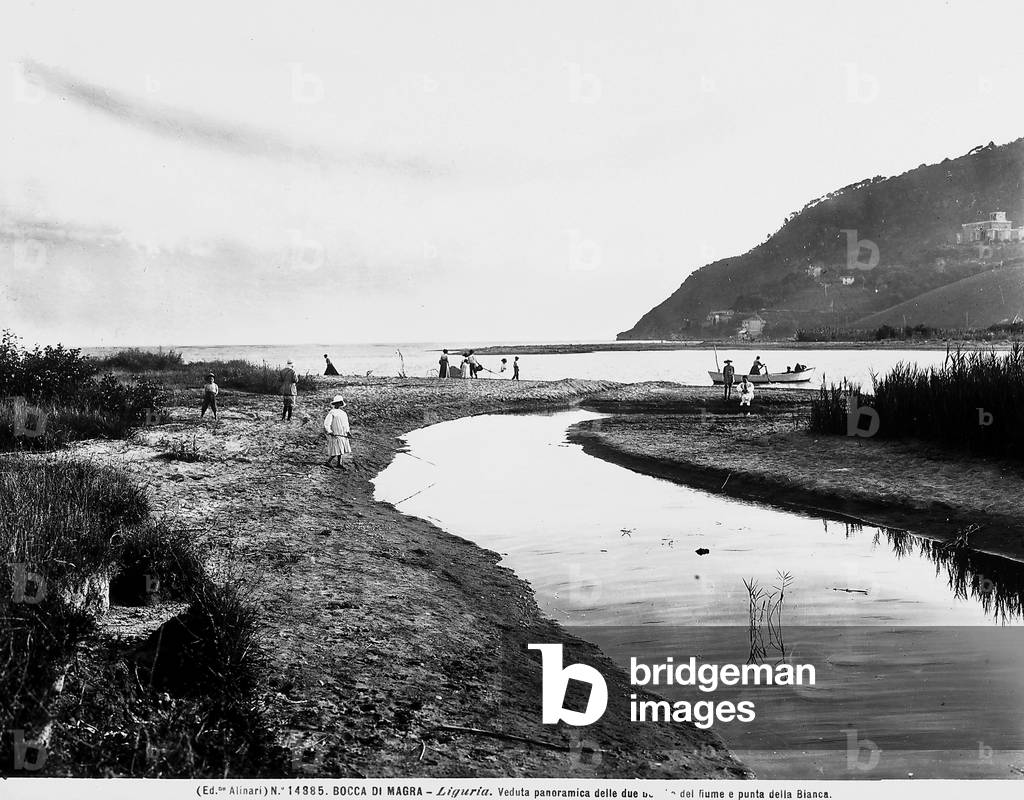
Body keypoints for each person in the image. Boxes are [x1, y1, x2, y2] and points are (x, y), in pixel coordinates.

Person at [323, 395, 353, 469]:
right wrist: (330, 431)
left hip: (342, 433)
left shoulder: (343, 413)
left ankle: (339, 463)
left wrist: (348, 432)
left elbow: (346, 424)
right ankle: (328, 462)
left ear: (341, 404)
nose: (338, 404)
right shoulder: (332, 412)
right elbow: (327, 423)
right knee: (336, 448)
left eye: (339, 403)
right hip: (335, 433)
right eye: (336, 403)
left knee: (341, 448)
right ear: (334, 404)